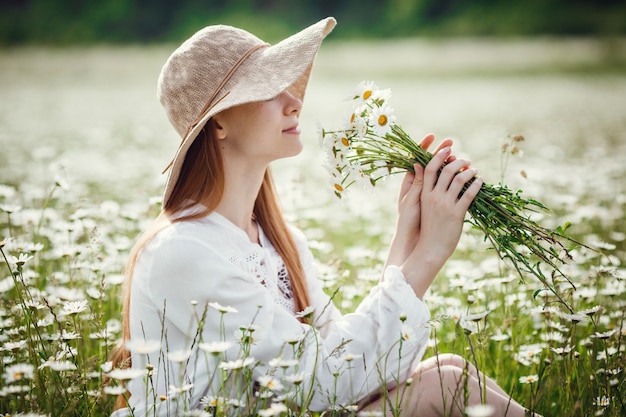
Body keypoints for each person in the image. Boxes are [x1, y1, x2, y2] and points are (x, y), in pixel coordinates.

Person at [109, 17, 540, 417]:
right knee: (444, 386)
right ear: (218, 123)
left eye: (288, 85)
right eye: (269, 88)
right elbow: (323, 382)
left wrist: (407, 237)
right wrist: (430, 254)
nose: (294, 101)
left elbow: (350, 362)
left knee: (450, 372)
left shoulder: (282, 241)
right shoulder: (182, 251)